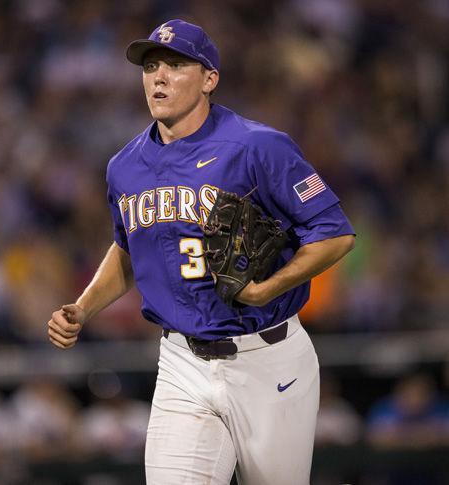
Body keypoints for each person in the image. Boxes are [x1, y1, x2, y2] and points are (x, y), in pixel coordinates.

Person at [47, 19, 355, 485]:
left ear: (210, 79)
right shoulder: (125, 167)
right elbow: (129, 248)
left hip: (267, 358)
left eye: (175, 64)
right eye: (151, 66)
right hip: (180, 363)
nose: (159, 76)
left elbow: (334, 234)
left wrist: (269, 287)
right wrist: (84, 308)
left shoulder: (259, 147)